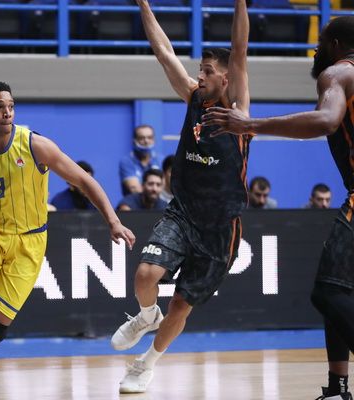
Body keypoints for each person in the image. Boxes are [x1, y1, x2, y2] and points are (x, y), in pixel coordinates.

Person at [0, 81, 136, 400]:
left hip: (29, 242)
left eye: (11, 106)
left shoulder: (35, 145)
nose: (7, 112)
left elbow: (84, 180)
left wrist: (113, 221)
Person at [203, 15, 354, 400]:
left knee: (329, 293)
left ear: (337, 46)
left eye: (320, 43)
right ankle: (337, 388)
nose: (316, 51)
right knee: (340, 289)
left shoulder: (338, 73)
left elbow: (326, 120)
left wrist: (250, 125)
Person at [110, 0, 250, 394]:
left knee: (181, 305)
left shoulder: (238, 111)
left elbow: (240, 50)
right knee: (145, 274)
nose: (199, 75)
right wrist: (143, 4)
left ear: (226, 78)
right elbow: (163, 51)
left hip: (220, 227)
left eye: (207, 71)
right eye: (199, 70)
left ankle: (145, 364)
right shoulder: (193, 98)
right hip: (183, 212)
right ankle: (145, 316)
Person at [119, 124, 162, 196]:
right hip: (135, 202)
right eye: (142, 138)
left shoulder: (160, 160)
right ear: (134, 140)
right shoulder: (127, 161)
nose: (146, 141)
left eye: (149, 137)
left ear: (154, 140)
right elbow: (135, 190)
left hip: (159, 202)